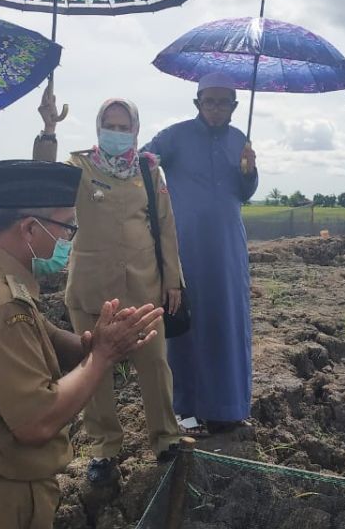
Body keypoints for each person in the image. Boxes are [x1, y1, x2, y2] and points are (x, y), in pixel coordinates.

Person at [0, 159, 164, 529]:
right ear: (30, 229)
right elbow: (36, 422)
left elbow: (42, 337)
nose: (69, 240)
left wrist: (92, 344)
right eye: (67, 226)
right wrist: (101, 357)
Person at [33, 88, 185, 483]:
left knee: (154, 365)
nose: (116, 133)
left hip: (144, 288)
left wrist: (174, 281)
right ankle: (103, 450)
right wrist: (49, 129)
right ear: (99, 128)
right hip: (91, 290)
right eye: (109, 126)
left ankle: (166, 439)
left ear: (135, 131)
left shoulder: (149, 171)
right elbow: (44, 182)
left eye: (123, 127)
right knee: (94, 370)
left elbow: (166, 228)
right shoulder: (81, 167)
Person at [141, 72, 258, 433]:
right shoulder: (175, 136)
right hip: (185, 247)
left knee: (227, 323)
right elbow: (144, 163)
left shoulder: (241, 141)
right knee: (186, 325)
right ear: (198, 103)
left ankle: (228, 408)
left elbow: (245, 192)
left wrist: (249, 171)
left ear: (235, 107)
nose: (216, 108)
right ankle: (186, 409)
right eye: (210, 101)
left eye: (224, 102)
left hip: (226, 250)